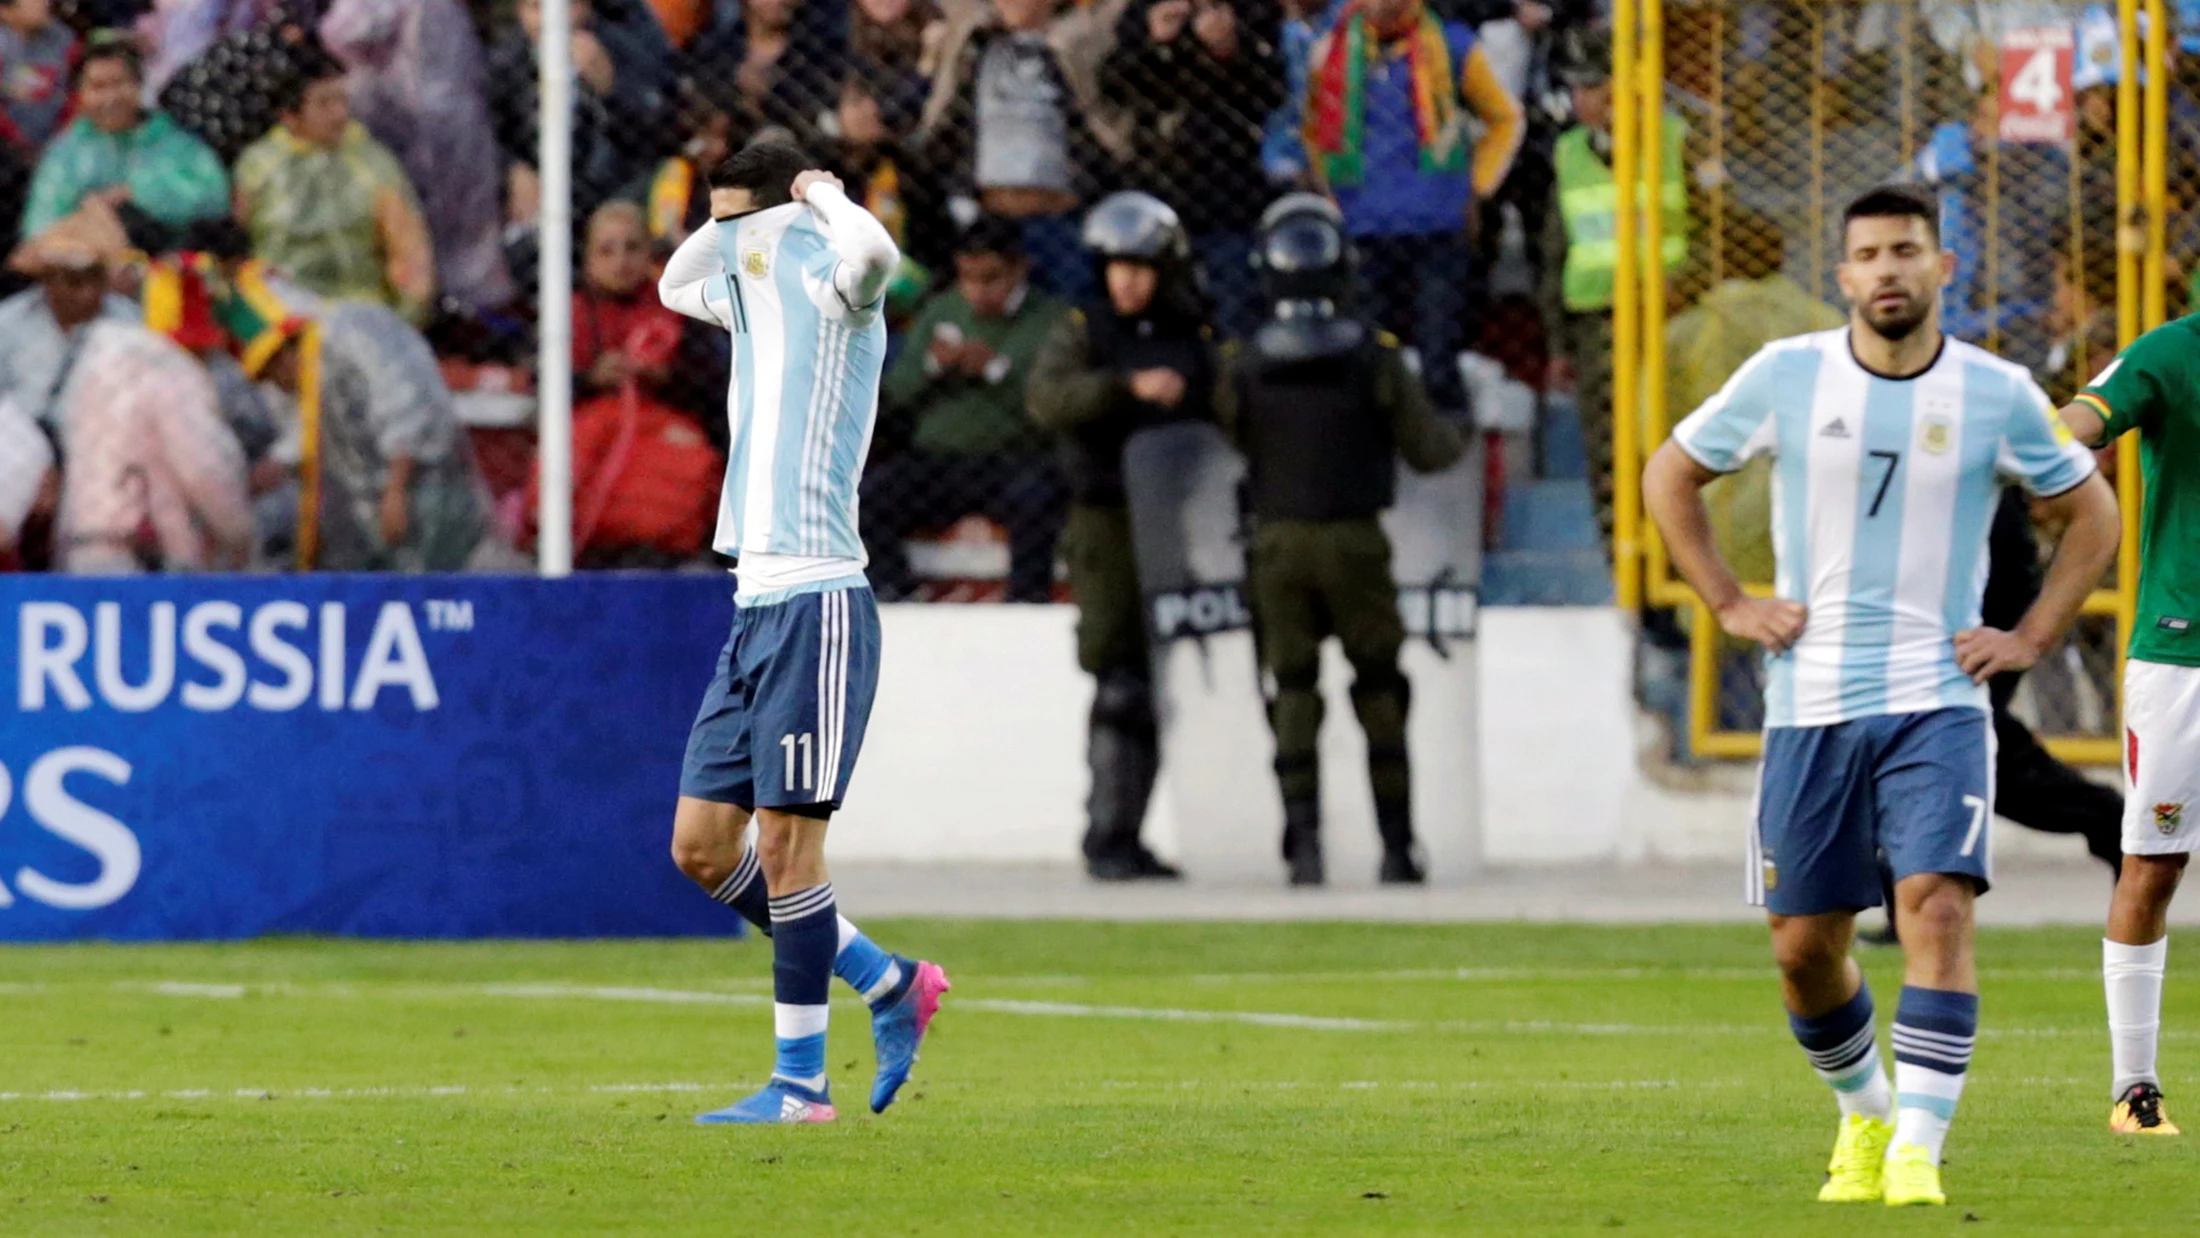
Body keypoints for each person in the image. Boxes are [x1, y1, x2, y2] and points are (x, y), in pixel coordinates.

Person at [1641, 183, 2120, 1207]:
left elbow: (2091, 511)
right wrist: (1727, 600)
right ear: (1845, 275)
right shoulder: (1785, 375)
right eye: (1869, 254)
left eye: (1908, 249)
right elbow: (1668, 473)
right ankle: (1864, 1111)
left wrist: (2032, 634)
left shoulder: (1995, 391)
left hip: (1937, 699)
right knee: (1803, 949)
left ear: (1944, 267)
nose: (1889, 268)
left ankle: (1915, 1148)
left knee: (1934, 907)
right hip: (1807, 701)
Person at [655, 140, 950, 1124]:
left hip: (821, 597)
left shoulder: (837, 287)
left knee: (787, 846)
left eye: (743, 222)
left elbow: (876, 255)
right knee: (701, 844)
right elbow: (671, 281)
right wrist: (733, 223)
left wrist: (818, 196)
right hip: (753, 604)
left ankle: (799, 1084)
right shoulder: (745, 290)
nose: (729, 242)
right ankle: (886, 979)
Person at [1215, 193, 1463, 885]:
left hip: (1278, 541)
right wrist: (1459, 416)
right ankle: (1397, 847)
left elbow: (1234, 432)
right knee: (1380, 687)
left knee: (1293, 691)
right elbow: (1431, 450)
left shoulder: (1243, 360)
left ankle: (1304, 846)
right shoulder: (1375, 359)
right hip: (1357, 541)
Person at [1026, 190, 1212, 882]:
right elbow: (1047, 399)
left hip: (1177, 524)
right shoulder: (1084, 330)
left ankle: (1131, 833)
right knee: (1119, 681)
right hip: (1105, 520)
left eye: (1141, 267)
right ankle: (1108, 834)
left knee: (1167, 680)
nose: (1127, 280)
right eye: (1117, 266)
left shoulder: (1194, 332)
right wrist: (1126, 389)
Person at [2060, 286, 2200, 1136]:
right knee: (2152, 864)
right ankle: (2134, 1088)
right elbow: (2083, 416)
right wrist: (2045, 442)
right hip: (2183, 654)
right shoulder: (2173, 351)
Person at [1302, 0, 1521, 411]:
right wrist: (1327, 187)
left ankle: (1447, 455)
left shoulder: (1454, 46)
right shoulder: (1328, 52)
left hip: (1438, 227)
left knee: (1439, 358)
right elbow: (1312, 128)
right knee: (1367, 362)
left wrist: (1477, 188)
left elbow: (1505, 118)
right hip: (1363, 228)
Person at [216, 272, 492, 571]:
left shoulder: (356, 330)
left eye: (273, 371)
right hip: (373, 501)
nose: (276, 383)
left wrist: (396, 491)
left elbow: (407, 403)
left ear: (287, 349)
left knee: (436, 583)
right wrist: (276, 465)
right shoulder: (313, 369)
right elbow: (307, 426)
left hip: (423, 485)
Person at [864, 215, 1068, 601]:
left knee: (1037, 502)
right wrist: (932, 368)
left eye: (990, 278)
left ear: (1020, 268)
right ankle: (899, 595)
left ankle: (1027, 606)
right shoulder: (942, 310)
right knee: (867, 500)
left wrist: (995, 370)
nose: (976, 291)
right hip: (940, 463)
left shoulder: (1051, 319)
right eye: (967, 278)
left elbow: (1053, 406)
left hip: (1018, 461)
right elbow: (897, 393)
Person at [1543, 25, 1686, 548]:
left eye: (1595, 86)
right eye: (1577, 88)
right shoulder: (1569, 154)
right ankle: (1626, 566)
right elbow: (1555, 251)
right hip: (1597, 324)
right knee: (1610, 454)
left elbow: (1721, 231)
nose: (1583, 100)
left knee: (1670, 447)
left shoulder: (1674, 141)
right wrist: (1558, 343)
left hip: (1672, 319)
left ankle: (1672, 569)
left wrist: (1684, 286)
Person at [1100, 0, 1286, 339]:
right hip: (1160, 193)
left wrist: (1228, 49)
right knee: (1160, 321)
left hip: (1231, 195)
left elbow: (1273, 88)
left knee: (1236, 317)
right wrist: (1156, 43)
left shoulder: (1250, 11)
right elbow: (1114, 84)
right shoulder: (1143, 10)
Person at [922, 0, 1115, 302]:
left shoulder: (1081, 43)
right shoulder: (974, 44)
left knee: (1068, 314)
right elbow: (942, 117)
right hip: (988, 220)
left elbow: (1101, 123)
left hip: (1060, 222)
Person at [234, 48, 436, 321]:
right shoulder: (258, 167)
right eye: (324, 103)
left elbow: (410, 251)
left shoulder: (372, 161)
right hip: (285, 318)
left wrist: (407, 317)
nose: (339, 113)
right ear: (288, 115)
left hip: (364, 315)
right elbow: (238, 254)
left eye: (342, 99)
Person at [21, 36, 227, 249]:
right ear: (80, 94)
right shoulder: (65, 154)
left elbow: (215, 200)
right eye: (98, 87)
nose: (111, 98)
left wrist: (135, 193)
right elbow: (39, 227)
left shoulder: (178, 145)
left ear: (139, 85)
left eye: (119, 83)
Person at [0, 0, 79, 155]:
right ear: (5, 10)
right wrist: (18, 142)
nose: (44, 3)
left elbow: (76, 92)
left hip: (59, 146)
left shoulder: (64, 39)